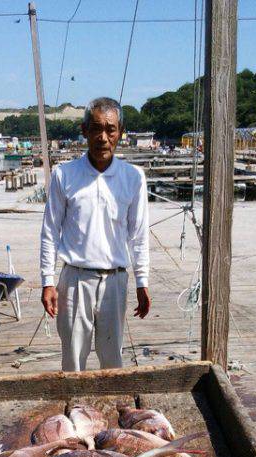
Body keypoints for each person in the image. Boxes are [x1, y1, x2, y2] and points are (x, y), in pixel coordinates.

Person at [40, 97, 150, 372]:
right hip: (75, 279)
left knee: (112, 358)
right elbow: (50, 231)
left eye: (110, 129)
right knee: (73, 359)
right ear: (84, 129)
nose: (103, 137)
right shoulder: (64, 174)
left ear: (120, 132)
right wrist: (47, 281)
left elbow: (139, 235)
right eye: (96, 128)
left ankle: (112, 411)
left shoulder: (134, 177)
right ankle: (74, 410)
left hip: (115, 279)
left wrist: (142, 281)